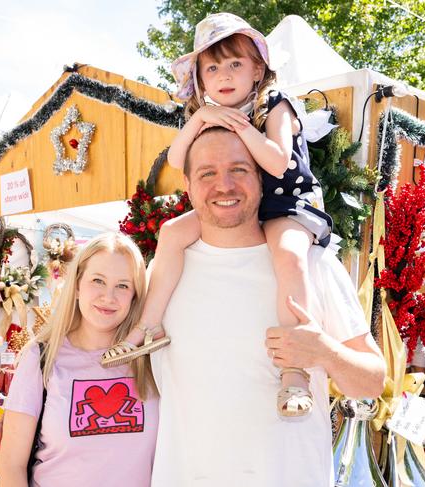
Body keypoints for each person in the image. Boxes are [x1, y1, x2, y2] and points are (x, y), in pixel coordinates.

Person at [103, 13, 334, 418]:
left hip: (286, 201)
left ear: (257, 69)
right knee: (173, 232)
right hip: (243, 204)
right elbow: (177, 159)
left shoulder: (275, 105)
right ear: (201, 79)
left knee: (290, 257)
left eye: (235, 64)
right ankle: (149, 324)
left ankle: (294, 369)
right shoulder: (209, 114)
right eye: (212, 67)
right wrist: (198, 119)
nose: (224, 75)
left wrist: (244, 129)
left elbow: (278, 162)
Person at [149, 126, 385, 486]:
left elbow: (372, 381)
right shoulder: (164, 272)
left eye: (239, 170)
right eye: (207, 173)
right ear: (188, 184)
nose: (224, 185)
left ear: (261, 177)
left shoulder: (312, 266)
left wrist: (325, 353)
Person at [0, 233, 158, 487]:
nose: (109, 297)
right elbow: (11, 465)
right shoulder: (41, 357)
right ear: (77, 286)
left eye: (123, 285)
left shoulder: (151, 361)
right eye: (98, 281)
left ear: (135, 296)